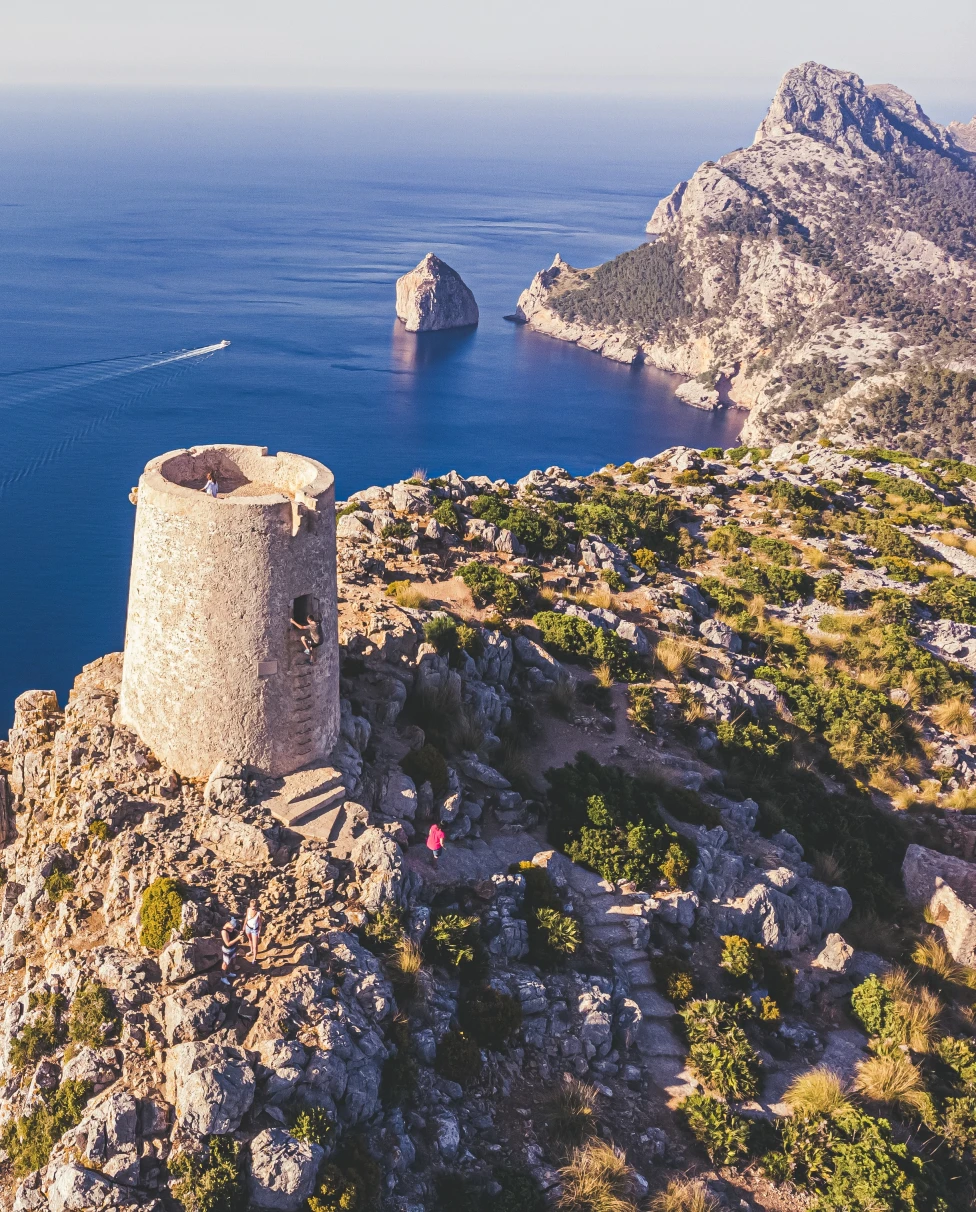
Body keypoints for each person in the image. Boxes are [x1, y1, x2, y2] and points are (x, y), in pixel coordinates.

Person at [220, 916, 241, 985]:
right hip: (227, 950)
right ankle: (223, 977)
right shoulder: (224, 932)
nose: (233, 927)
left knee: (232, 960)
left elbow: (234, 931)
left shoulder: (232, 928)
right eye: (232, 926)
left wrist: (239, 933)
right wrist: (238, 938)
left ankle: (228, 973)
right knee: (225, 963)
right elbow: (228, 944)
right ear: (229, 923)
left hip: (233, 948)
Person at [244, 898, 263, 965]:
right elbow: (246, 918)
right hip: (248, 927)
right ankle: (251, 951)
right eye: (251, 906)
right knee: (250, 939)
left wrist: (259, 931)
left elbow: (260, 923)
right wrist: (244, 927)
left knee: (255, 945)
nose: (252, 908)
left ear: (256, 906)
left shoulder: (259, 913)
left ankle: (254, 958)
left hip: (255, 929)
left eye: (253, 906)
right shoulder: (248, 909)